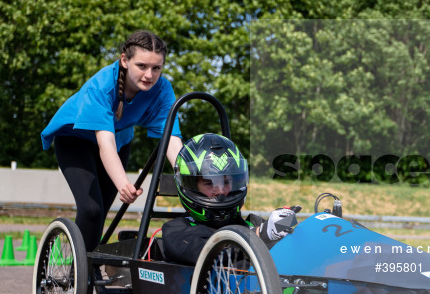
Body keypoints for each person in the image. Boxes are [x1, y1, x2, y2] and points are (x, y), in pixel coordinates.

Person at [42, 30, 184, 253]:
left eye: (156, 68)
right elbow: (104, 144)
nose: (149, 74)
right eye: (142, 66)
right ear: (125, 60)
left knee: (100, 216)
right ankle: (74, 275)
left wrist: (191, 178)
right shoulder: (102, 85)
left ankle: (83, 273)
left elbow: (171, 141)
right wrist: (123, 185)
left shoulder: (163, 90)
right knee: (91, 210)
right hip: (74, 140)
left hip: (119, 141)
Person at [161, 133, 299, 265]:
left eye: (226, 182)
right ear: (190, 186)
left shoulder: (253, 224)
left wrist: (288, 230)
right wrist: (259, 236)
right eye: (209, 183)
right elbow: (208, 254)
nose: (221, 190)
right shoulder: (176, 230)